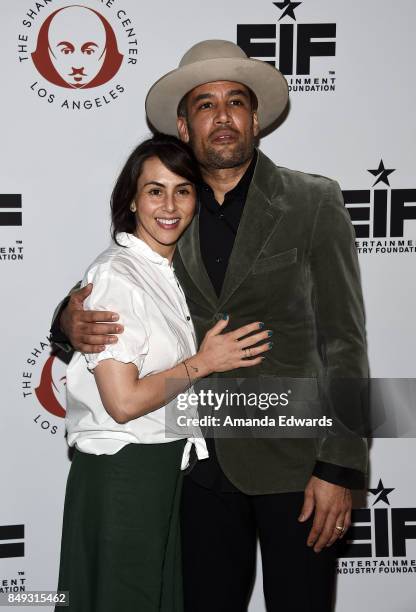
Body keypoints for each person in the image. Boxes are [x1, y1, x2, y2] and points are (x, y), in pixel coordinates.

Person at [51, 41, 369, 612]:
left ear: (256, 118)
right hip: (194, 470)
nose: (222, 117)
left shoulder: (312, 201)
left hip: (296, 468)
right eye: (205, 104)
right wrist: (67, 321)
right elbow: (123, 285)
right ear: (184, 122)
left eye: (236, 102)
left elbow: (344, 341)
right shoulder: (171, 208)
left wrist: (339, 467)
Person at [54, 134, 272, 612]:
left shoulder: (161, 272)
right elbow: (124, 402)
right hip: (126, 470)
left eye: (182, 190)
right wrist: (203, 363)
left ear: (197, 198)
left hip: (162, 469)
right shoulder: (118, 276)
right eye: (155, 190)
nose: (169, 205)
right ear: (132, 199)